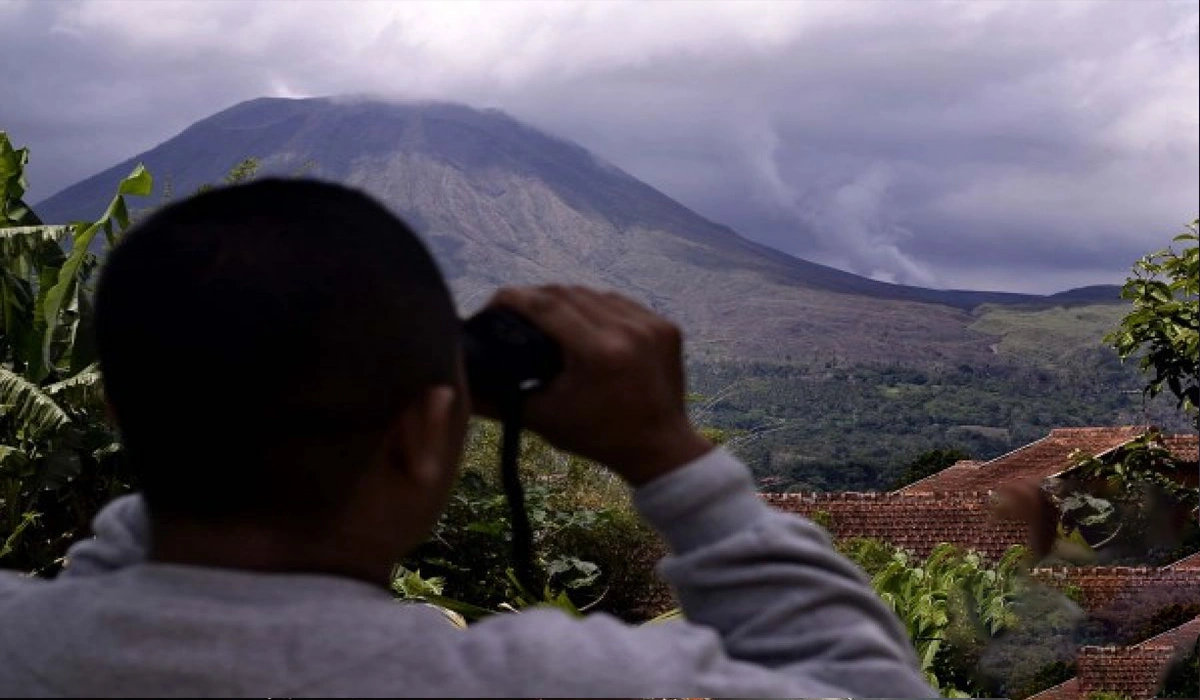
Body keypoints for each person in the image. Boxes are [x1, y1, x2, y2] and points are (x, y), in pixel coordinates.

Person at [0, 180, 936, 698]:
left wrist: (200, 427)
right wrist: (667, 453)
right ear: (425, 434)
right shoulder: (551, 683)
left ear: (117, 412)